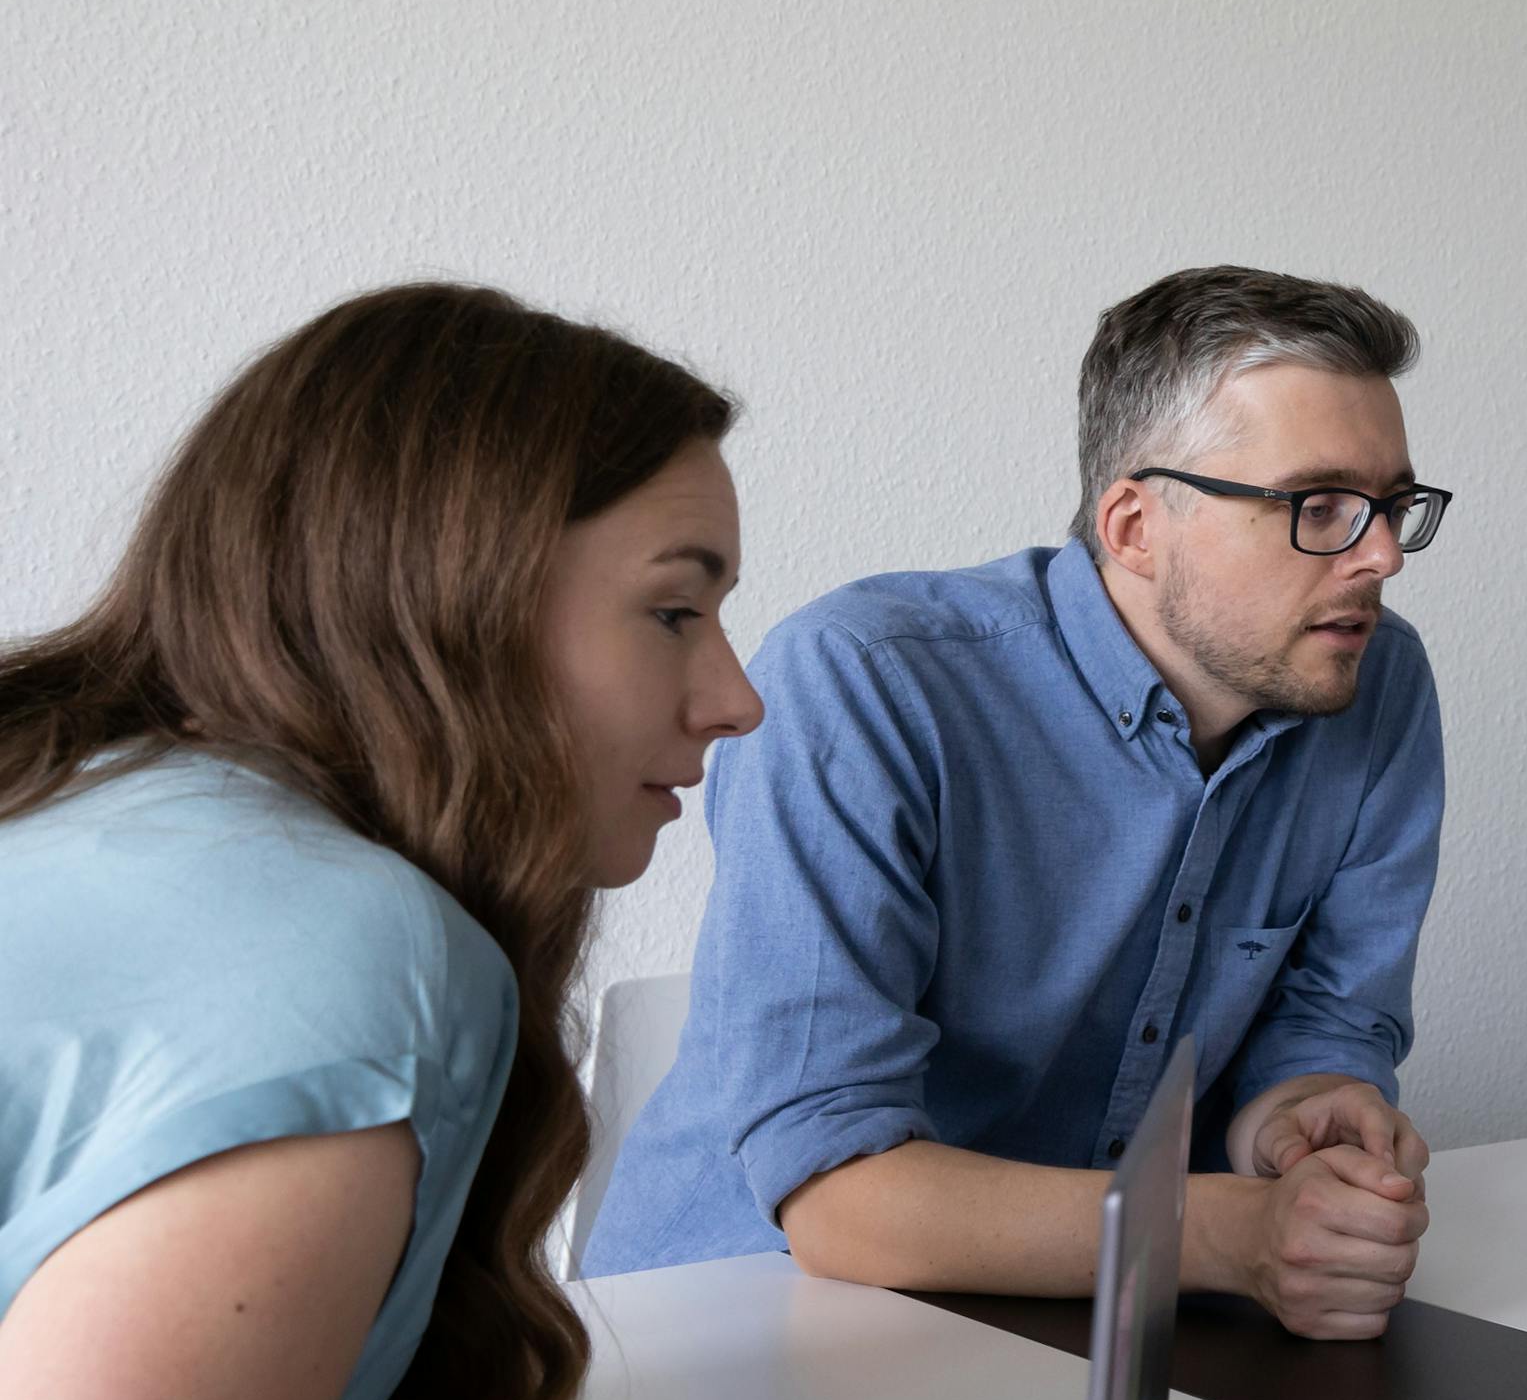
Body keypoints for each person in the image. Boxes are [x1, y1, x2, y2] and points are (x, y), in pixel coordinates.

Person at [0, 285, 761, 1400]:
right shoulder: (355, 962)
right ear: (455, 599)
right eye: (675, 610)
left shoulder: (103, 796)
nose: (732, 696)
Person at [588, 268, 1448, 1334]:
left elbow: (1327, 1021)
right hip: (729, 1325)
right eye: (1319, 507)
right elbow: (837, 1191)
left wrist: (1306, 1115)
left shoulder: (1376, 683)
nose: (1378, 558)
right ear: (1134, 525)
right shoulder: (865, 682)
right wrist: (1230, 1232)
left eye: (1394, 507)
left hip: (1094, 1326)